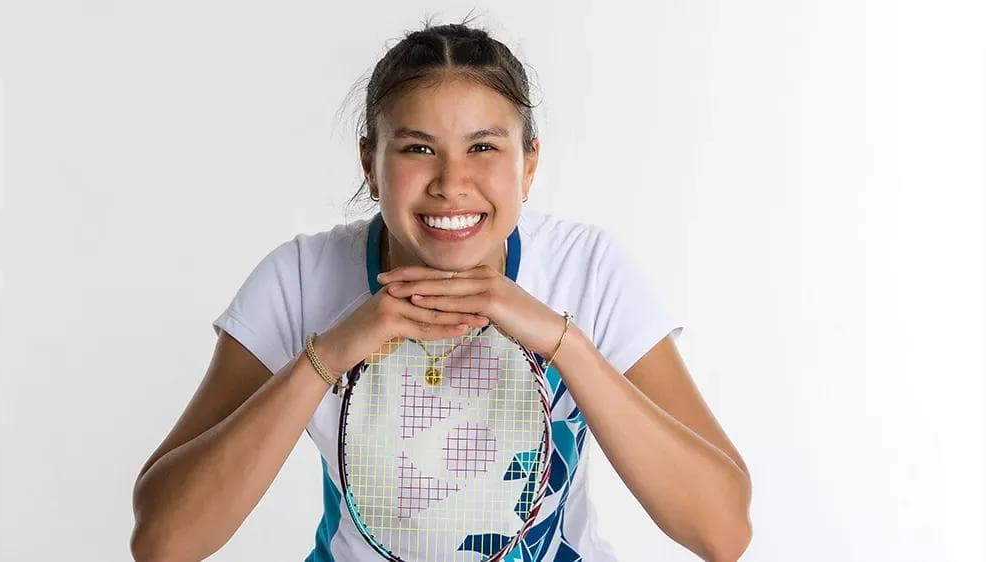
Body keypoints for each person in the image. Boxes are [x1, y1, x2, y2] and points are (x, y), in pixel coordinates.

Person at [130, 17, 753, 562]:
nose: (451, 183)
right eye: (417, 148)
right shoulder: (299, 278)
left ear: (529, 164)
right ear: (370, 165)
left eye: (483, 146)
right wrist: (330, 355)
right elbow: (163, 543)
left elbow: (722, 533)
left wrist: (562, 342)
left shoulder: (588, 270)